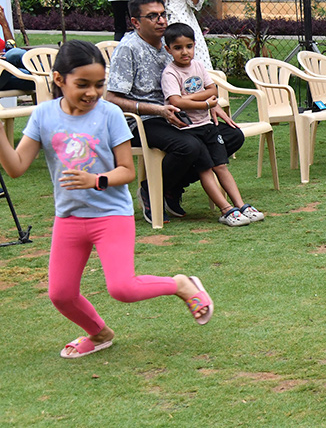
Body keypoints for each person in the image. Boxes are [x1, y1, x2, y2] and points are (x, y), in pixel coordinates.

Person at [0, 40, 213, 360]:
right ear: (59, 80)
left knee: (122, 288)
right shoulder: (44, 115)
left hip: (110, 215)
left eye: (99, 85)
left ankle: (182, 284)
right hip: (69, 217)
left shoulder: (110, 114)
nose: (92, 93)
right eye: (82, 85)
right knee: (61, 295)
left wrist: (95, 180)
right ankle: (99, 334)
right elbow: (16, 168)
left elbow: (127, 170)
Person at [106, 0, 244, 224]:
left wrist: (209, 106)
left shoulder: (172, 43)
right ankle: (152, 189)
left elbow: (195, 82)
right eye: (153, 16)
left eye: (163, 14)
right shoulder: (128, 48)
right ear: (135, 22)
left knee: (231, 136)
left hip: (183, 113)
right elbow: (111, 98)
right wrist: (158, 110)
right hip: (144, 120)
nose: (161, 20)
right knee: (190, 146)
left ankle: (171, 186)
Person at [162, 23, 263, 227]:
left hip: (207, 126)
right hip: (188, 130)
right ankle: (226, 210)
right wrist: (206, 103)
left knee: (221, 166)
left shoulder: (198, 66)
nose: (184, 52)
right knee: (205, 170)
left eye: (189, 46)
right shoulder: (170, 73)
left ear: (195, 45)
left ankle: (241, 205)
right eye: (178, 47)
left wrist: (191, 98)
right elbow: (176, 102)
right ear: (168, 49)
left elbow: (213, 89)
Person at [0, 5, 35, 93]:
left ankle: (50, 74)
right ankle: (52, 71)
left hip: (5, 74)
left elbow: (10, 47)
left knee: (39, 79)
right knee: (13, 55)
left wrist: (4, 24)